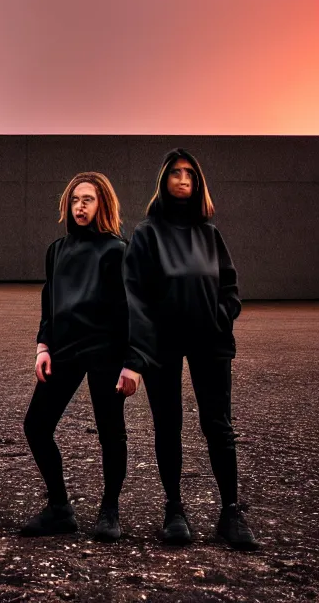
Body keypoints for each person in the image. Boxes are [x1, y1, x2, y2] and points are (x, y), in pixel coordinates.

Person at [117, 148, 259, 550]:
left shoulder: (209, 234)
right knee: (169, 424)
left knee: (219, 424)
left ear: (197, 183)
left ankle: (230, 512)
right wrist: (139, 352)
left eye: (189, 174)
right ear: (163, 181)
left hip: (210, 342)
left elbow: (230, 286)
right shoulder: (147, 233)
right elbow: (135, 295)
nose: (183, 179)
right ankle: (174, 508)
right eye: (175, 173)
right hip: (162, 344)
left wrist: (221, 316)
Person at [22, 172, 129, 541]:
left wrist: (132, 364)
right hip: (63, 351)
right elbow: (49, 302)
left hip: (105, 353)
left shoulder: (117, 250)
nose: (80, 206)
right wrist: (42, 346)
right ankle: (59, 509)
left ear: (103, 205)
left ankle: (109, 510)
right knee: (36, 426)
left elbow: (130, 311)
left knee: (111, 434)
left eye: (88, 200)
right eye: (75, 200)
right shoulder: (57, 249)